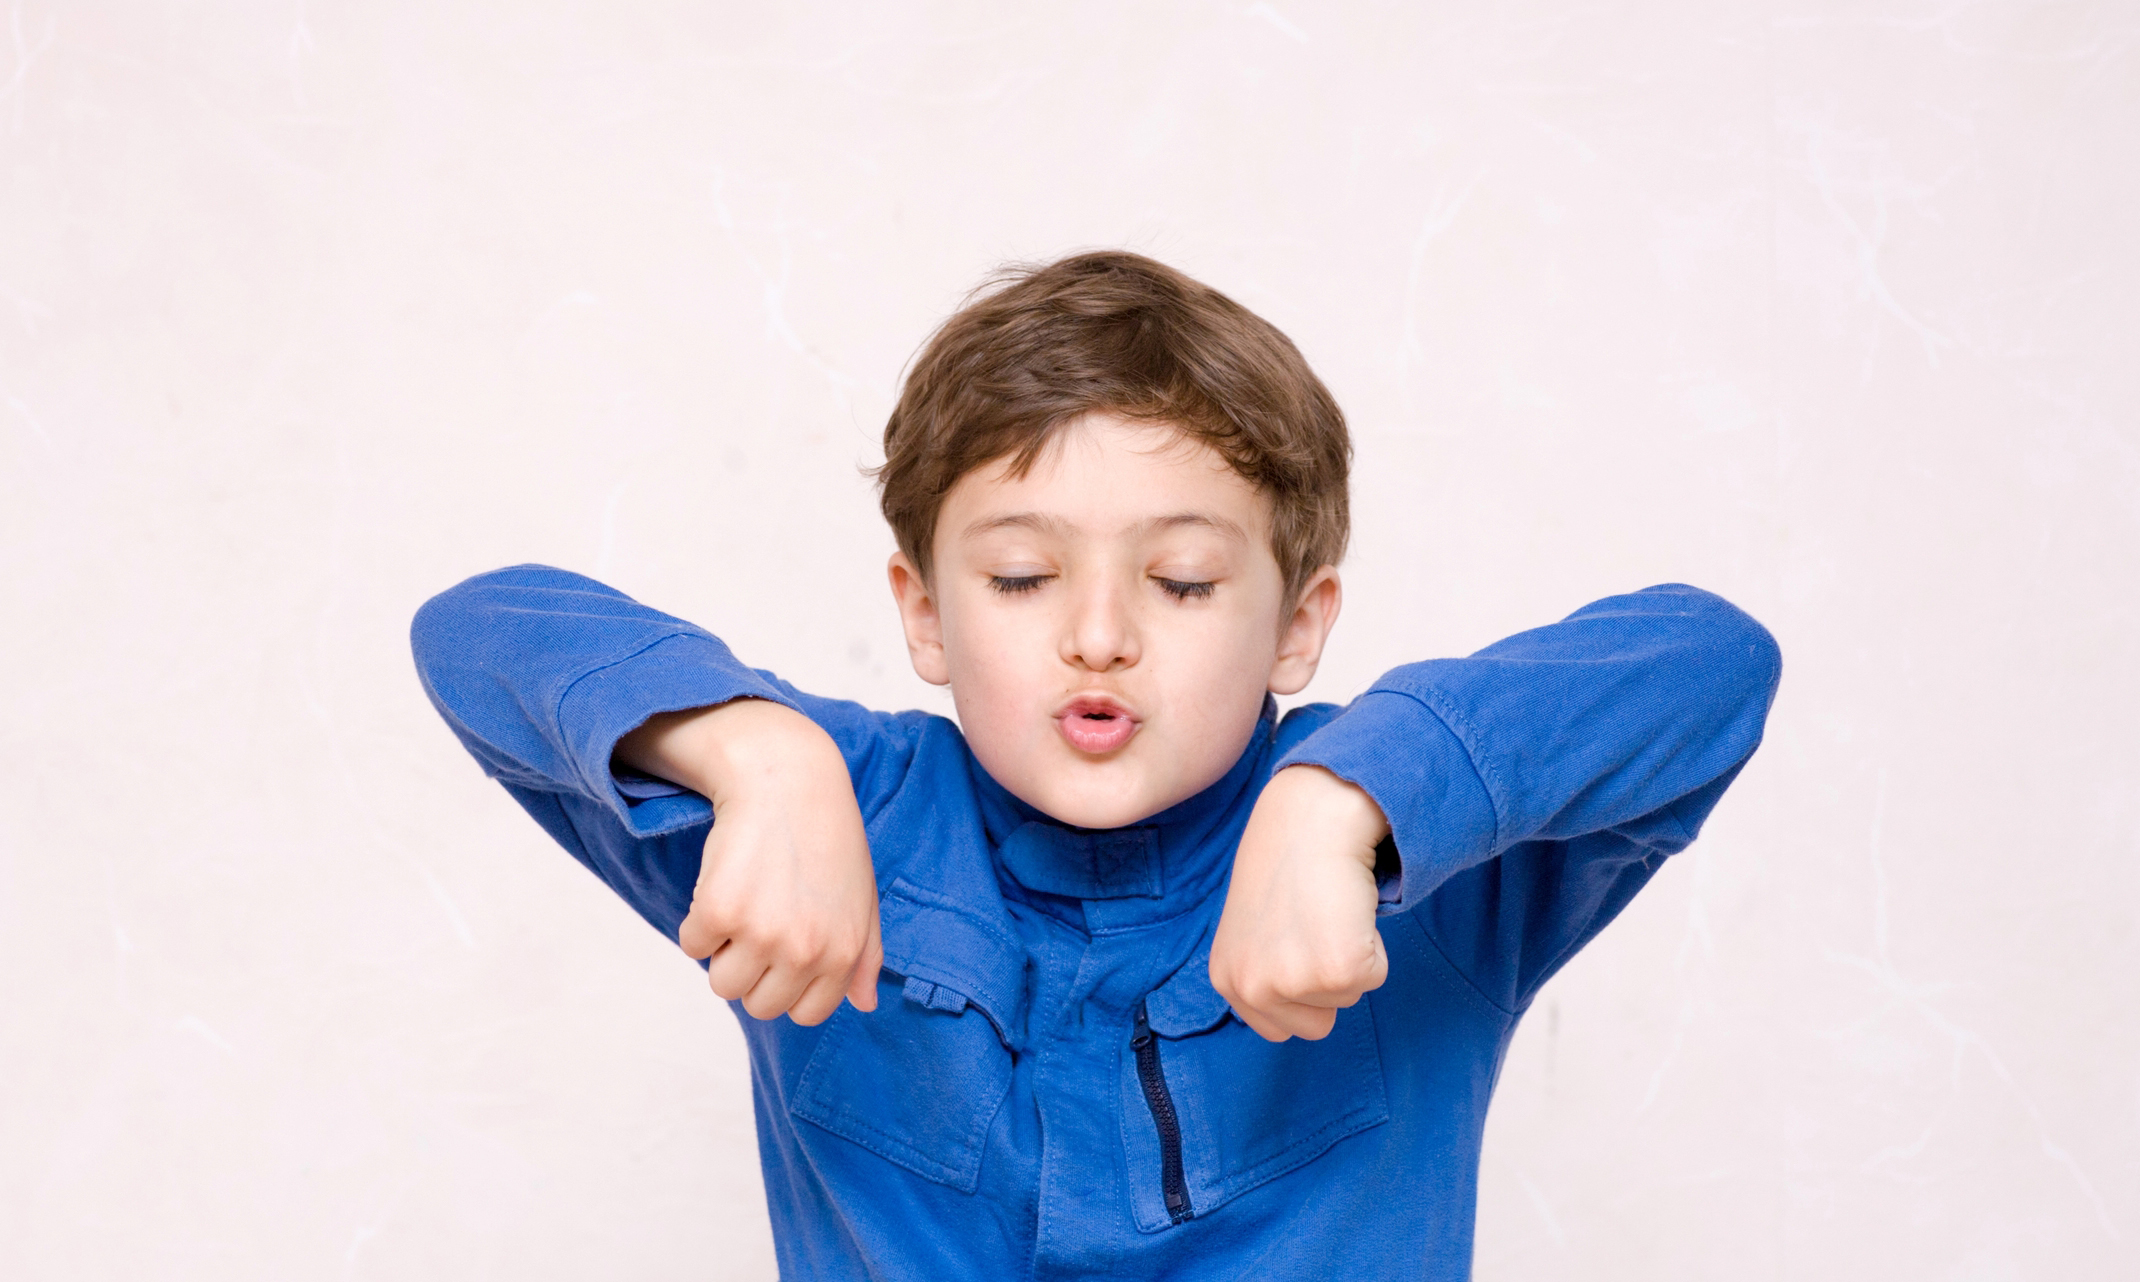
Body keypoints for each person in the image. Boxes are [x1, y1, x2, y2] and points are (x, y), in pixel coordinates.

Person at [410, 250, 1780, 1280]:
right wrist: (759, 757)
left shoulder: (1416, 873)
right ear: (924, 612)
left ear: (1298, 623)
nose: (1101, 635)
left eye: (1181, 582)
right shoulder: (834, 820)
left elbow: (1710, 662)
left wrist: (1343, 799)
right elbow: (478, 628)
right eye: (1021, 574)